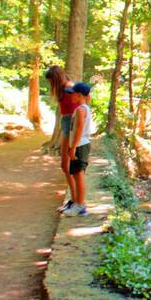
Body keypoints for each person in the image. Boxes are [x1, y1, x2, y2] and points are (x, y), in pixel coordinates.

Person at [44, 66, 78, 211]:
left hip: (71, 125)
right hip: (67, 124)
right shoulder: (64, 89)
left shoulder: (69, 88)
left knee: (68, 165)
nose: (51, 85)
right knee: (65, 166)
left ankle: (76, 200)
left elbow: (83, 102)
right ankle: (74, 199)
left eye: (51, 81)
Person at [65, 81, 96, 216]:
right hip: (82, 143)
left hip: (80, 144)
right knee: (78, 175)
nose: (71, 97)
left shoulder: (80, 110)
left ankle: (80, 205)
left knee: (78, 176)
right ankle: (78, 203)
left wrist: (73, 147)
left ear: (78, 95)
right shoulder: (85, 108)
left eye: (72, 94)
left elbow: (79, 129)